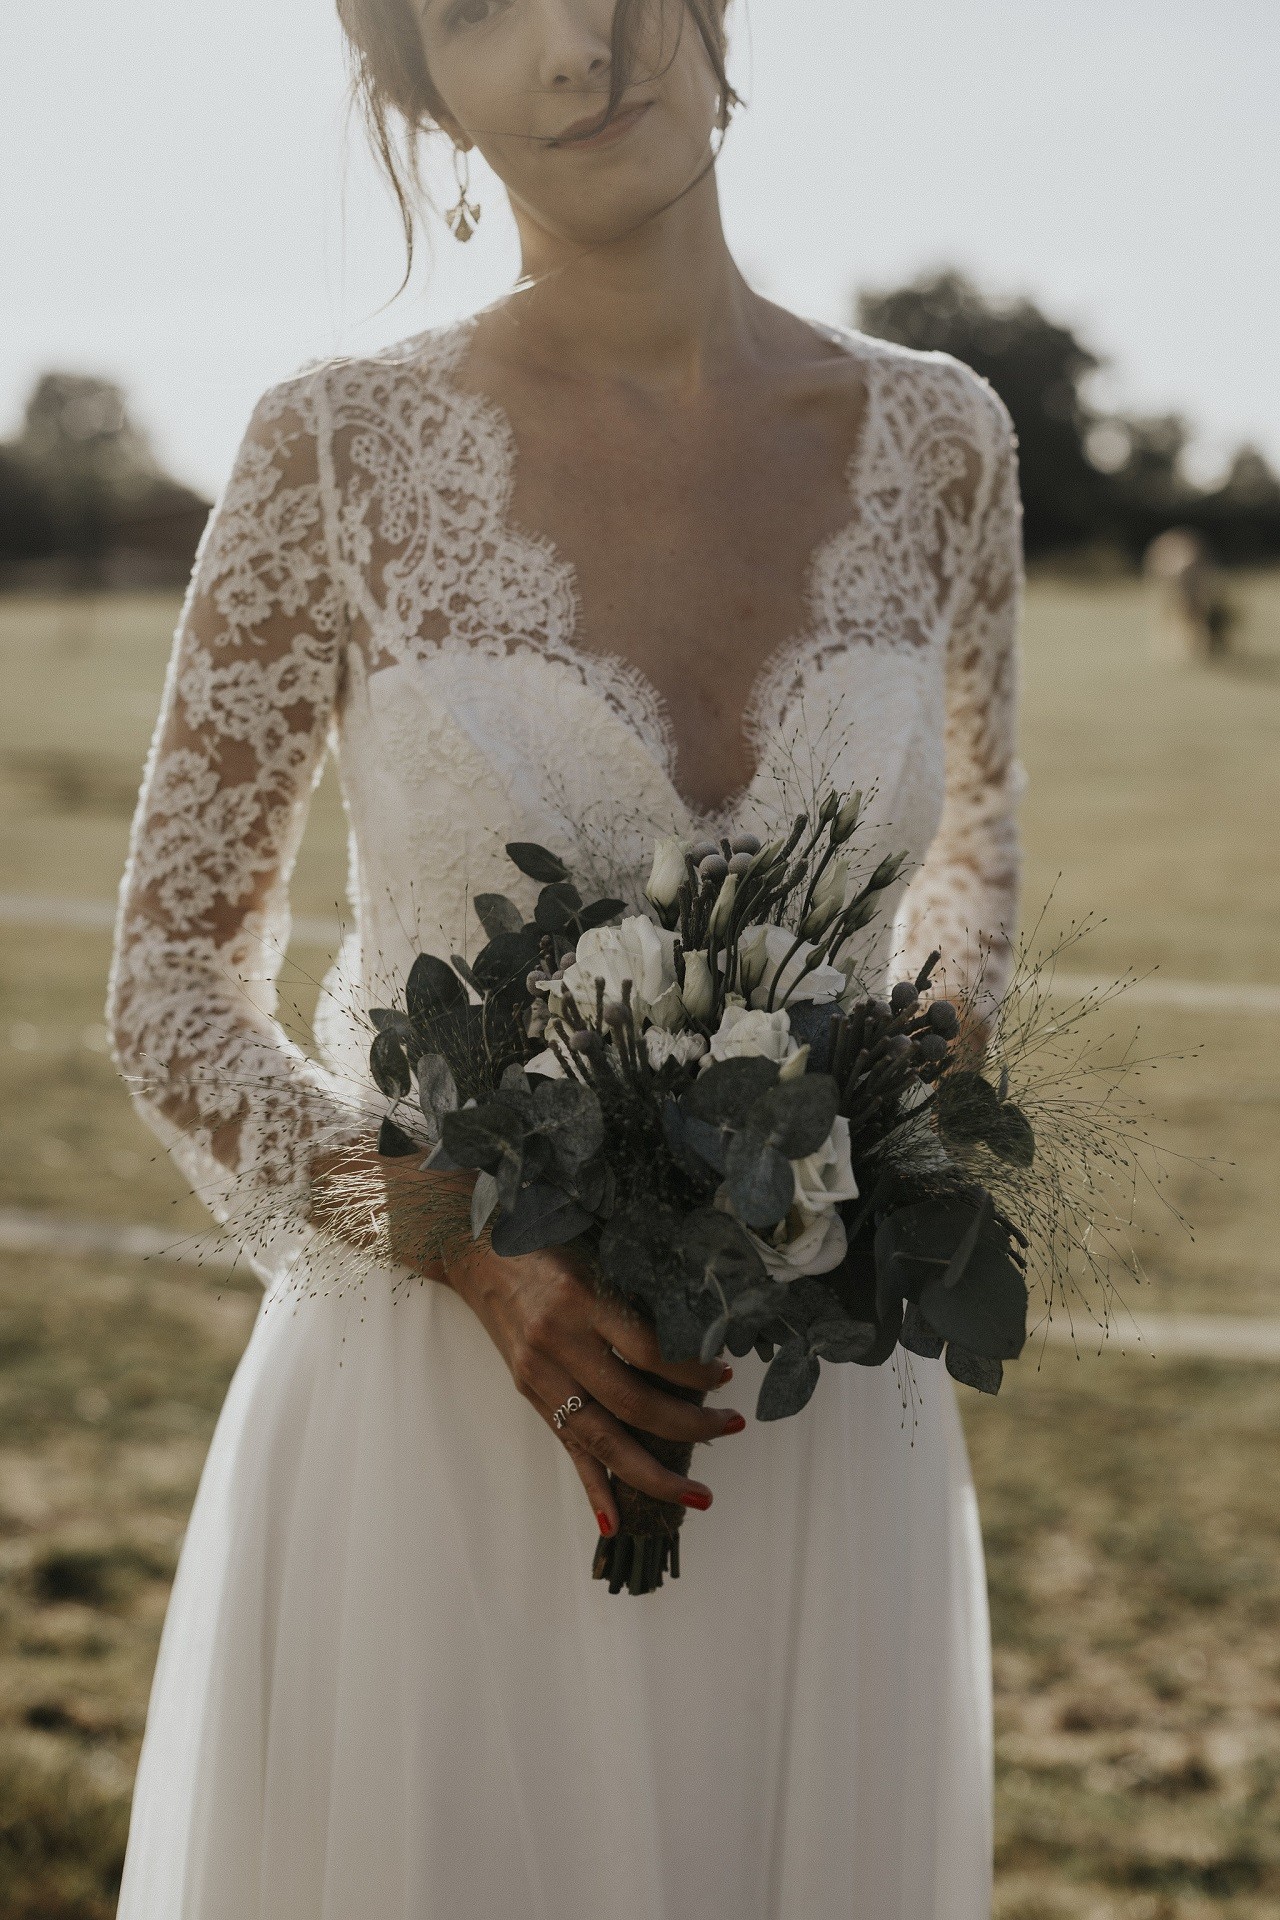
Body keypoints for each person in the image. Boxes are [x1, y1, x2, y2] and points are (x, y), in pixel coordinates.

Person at [107, 2, 1022, 1913]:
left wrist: (863, 1123)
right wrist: (461, 1235)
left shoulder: (946, 440)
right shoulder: (334, 450)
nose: (570, 44)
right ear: (419, 97)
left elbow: (977, 872)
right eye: (470, 8)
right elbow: (173, 982)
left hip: (813, 1432)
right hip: (431, 1430)